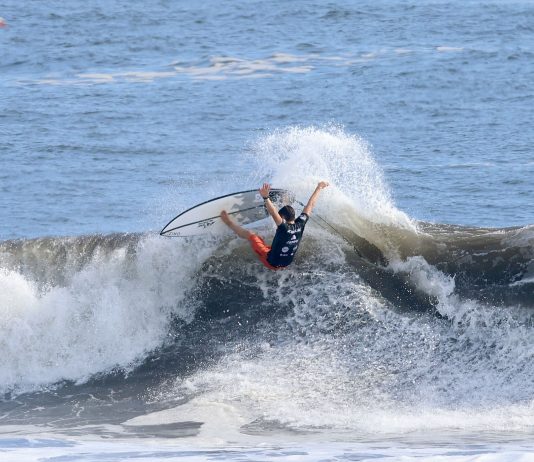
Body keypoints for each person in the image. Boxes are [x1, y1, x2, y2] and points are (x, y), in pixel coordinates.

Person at [220, 181, 329, 270]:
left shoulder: (284, 227)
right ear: (294, 217)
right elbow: (311, 205)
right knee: (270, 244)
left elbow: (273, 212)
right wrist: (319, 187)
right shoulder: (301, 223)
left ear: (282, 218)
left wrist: (266, 198)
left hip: (271, 263)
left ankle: (228, 222)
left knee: (251, 235)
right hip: (286, 264)